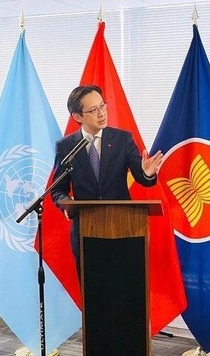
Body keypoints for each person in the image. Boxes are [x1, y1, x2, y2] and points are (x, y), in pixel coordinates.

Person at [51, 85, 163, 261]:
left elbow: (143, 179)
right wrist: (66, 203)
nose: (102, 113)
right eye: (94, 110)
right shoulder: (66, 146)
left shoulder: (122, 139)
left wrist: (147, 173)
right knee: (92, 287)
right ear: (77, 116)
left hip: (123, 229)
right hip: (86, 232)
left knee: (126, 287)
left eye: (102, 106)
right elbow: (58, 189)